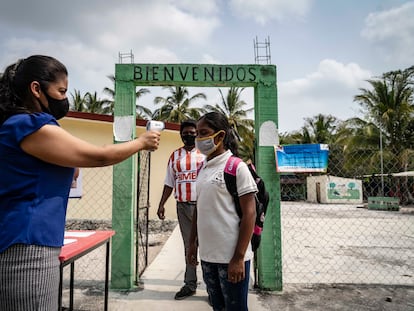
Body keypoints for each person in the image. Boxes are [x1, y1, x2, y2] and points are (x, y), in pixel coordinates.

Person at [0, 55, 160, 311]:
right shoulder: (28, 124)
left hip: (30, 241)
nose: (64, 98)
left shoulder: (19, 126)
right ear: (36, 88)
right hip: (28, 246)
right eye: (61, 91)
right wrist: (142, 142)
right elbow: (98, 156)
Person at [187, 112, 258, 311]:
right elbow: (198, 210)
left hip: (232, 258)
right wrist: (192, 243)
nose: (199, 139)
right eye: (197, 134)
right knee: (218, 307)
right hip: (208, 256)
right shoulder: (203, 168)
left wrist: (238, 258)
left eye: (204, 133)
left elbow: (249, 214)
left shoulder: (236, 167)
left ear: (220, 136)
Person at [157, 119, 205, 300]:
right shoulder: (174, 156)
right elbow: (169, 182)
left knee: (208, 245)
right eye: (185, 133)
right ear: (181, 135)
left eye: (192, 132)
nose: (189, 135)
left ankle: (212, 285)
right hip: (183, 207)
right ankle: (190, 284)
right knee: (189, 246)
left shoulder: (205, 154)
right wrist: (161, 204)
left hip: (205, 206)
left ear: (197, 134)